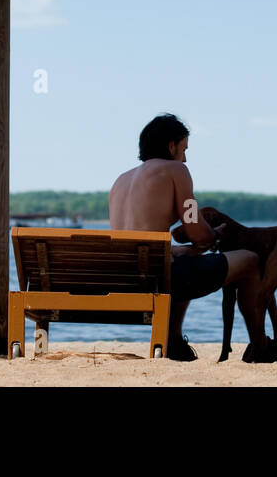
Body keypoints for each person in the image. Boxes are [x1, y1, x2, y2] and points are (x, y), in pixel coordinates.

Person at [108, 113, 268, 361]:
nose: (185, 158)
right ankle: (260, 346)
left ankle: (174, 342)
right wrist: (213, 235)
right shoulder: (177, 170)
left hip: (122, 280)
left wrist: (180, 250)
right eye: (184, 149)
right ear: (171, 146)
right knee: (250, 260)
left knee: (182, 260)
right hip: (158, 280)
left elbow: (133, 242)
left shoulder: (121, 180)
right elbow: (194, 226)